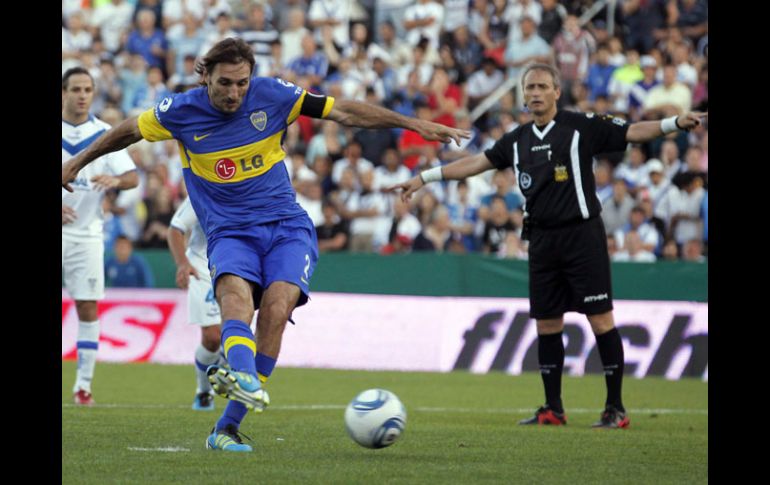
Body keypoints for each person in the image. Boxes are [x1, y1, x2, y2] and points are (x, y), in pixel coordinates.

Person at [62, 38, 468, 451]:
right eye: (225, 83)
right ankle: (240, 372)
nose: (234, 93)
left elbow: (342, 110)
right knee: (235, 303)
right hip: (229, 231)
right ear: (205, 77)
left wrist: (412, 124)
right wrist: (76, 163)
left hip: (286, 228)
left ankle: (226, 425)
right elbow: (127, 131)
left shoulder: (274, 95)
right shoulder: (180, 111)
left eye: (242, 83)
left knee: (275, 310)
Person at [389, 63, 706, 429]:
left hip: (582, 236)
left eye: (542, 86)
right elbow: (479, 162)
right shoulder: (517, 138)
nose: (536, 92)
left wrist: (673, 124)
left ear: (557, 91)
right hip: (540, 239)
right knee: (547, 323)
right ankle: (552, 408)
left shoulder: (580, 126)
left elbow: (632, 131)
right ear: (524, 95)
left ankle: (615, 408)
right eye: (530, 87)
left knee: (601, 319)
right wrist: (425, 177)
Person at [61, 67, 139, 406]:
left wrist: (116, 182)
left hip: (88, 235)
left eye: (87, 89)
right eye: (75, 88)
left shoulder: (104, 134)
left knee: (88, 306)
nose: (82, 95)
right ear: (63, 93)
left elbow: (132, 176)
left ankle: (83, 386)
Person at [167, 197, 228, 411]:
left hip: (237, 265)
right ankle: (204, 391)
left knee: (235, 334)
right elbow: (175, 229)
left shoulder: (248, 192)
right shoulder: (200, 194)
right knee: (212, 337)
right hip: (202, 265)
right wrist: (182, 264)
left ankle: (226, 366)